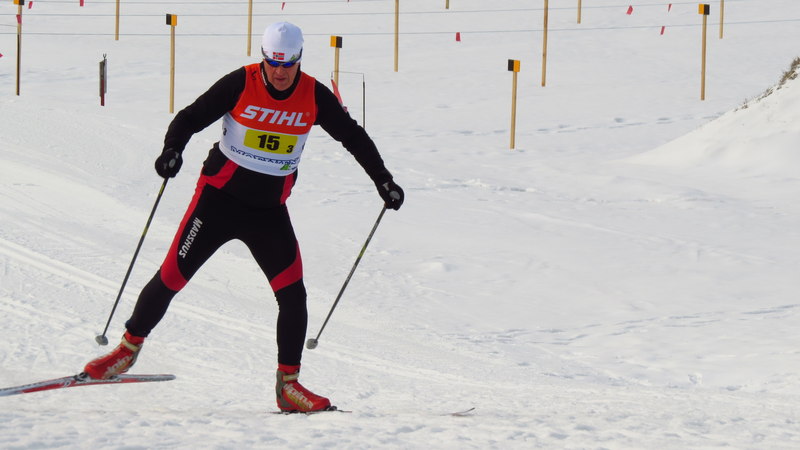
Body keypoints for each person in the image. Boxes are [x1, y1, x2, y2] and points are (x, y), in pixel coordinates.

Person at [83, 22, 404, 413]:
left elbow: (352, 136)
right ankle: (126, 350)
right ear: (264, 57)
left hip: (268, 212)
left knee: (293, 295)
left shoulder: (314, 95)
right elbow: (189, 118)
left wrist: (383, 180)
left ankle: (288, 386)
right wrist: (172, 151)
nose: (280, 72)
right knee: (171, 276)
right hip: (217, 202)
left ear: (300, 59)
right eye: (274, 62)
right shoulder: (241, 82)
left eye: (289, 64)